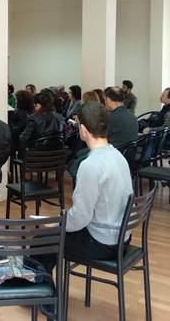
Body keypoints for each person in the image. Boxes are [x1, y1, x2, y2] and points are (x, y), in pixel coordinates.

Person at [37, 102, 133, 274]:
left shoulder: (91, 165)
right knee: (50, 236)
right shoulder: (118, 156)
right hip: (122, 236)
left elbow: (81, 218)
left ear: (82, 128)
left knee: (41, 240)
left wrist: (57, 222)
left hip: (103, 242)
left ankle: (40, 288)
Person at [68, 87, 138, 179]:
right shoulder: (133, 117)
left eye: (105, 99)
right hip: (126, 155)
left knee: (75, 159)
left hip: (109, 154)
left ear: (108, 99)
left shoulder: (112, 118)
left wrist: (79, 125)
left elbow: (96, 134)